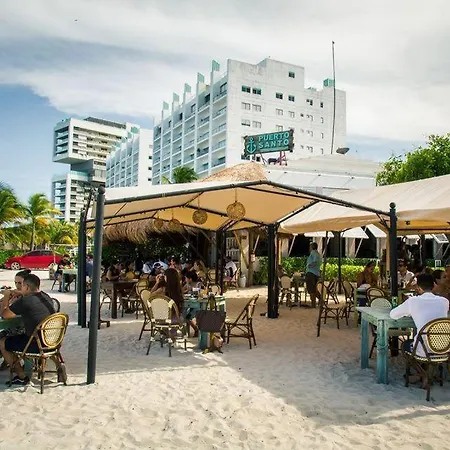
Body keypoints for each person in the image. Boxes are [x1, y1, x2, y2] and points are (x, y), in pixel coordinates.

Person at [0, 273, 56, 385]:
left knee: (2, 342)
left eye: (22, 285)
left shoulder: (25, 301)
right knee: (13, 337)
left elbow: (4, 315)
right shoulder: (46, 296)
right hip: (51, 341)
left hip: (35, 344)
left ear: (27, 287)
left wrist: (6, 296)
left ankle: (21, 376)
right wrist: (19, 293)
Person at [390, 274, 449, 359]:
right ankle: (430, 366)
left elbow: (393, 315)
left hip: (423, 351)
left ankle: (413, 367)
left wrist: (410, 312)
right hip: (444, 349)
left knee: (405, 344)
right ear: (434, 285)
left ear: (418, 287)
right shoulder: (445, 302)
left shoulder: (412, 301)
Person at [0, 270, 31, 369]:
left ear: (27, 284)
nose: (17, 285)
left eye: (20, 283)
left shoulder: (24, 298)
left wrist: (6, 296)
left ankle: (15, 367)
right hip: (18, 327)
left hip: (22, 330)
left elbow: (3, 314)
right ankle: (7, 360)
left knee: (1, 338)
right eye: (15, 282)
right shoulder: (19, 295)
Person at [305, 242, 322, 306]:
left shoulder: (313, 253)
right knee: (314, 289)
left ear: (312, 247)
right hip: (316, 273)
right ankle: (320, 301)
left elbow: (315, 261)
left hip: (311, 273)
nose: (309, 248)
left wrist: (310, 265)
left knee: (311, 289)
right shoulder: (317, 253)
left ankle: (313, 304)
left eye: (310, 246)